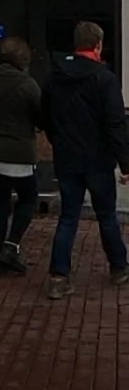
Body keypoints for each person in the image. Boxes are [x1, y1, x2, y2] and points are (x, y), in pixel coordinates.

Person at [46, 22, 129, 299]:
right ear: (98, 45)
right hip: (98, 159)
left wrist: (58, 142)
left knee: (68, 216)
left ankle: (59, 276)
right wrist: (125, 162)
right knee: (106, 215)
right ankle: (119, 267)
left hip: (67, 158)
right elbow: (115, 123)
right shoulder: (104, 79)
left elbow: (46, 116)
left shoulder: (55, 77)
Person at [0, 32, 50, 276]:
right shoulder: (27, 85)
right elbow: (40, 118)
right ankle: (11, 245)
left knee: (0, 204)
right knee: (28, 199)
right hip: (19, 153)